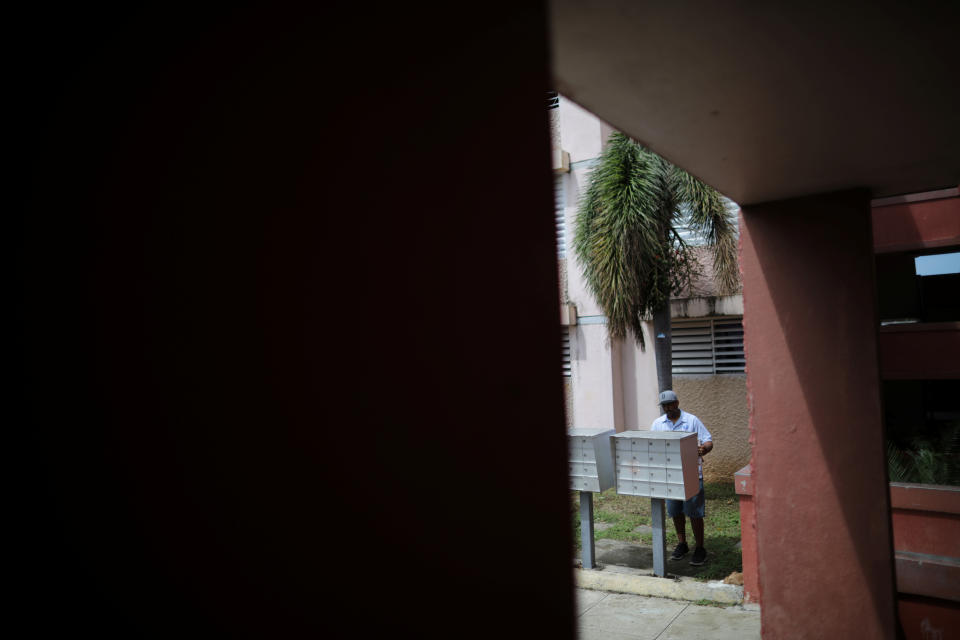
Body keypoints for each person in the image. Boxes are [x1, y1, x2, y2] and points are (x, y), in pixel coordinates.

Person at [650, 389, 713, 566]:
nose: (667, 408)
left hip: (691, 474)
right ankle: (682, 544)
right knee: (675, 511)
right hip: (670, 475)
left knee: (694, 512)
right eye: (664, 406)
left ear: (677, 403)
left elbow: (708, 440)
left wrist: (704, 449)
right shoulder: (658, 424)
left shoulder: (691, 420)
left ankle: (700, 548)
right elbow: (652, 446)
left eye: (670, 404)